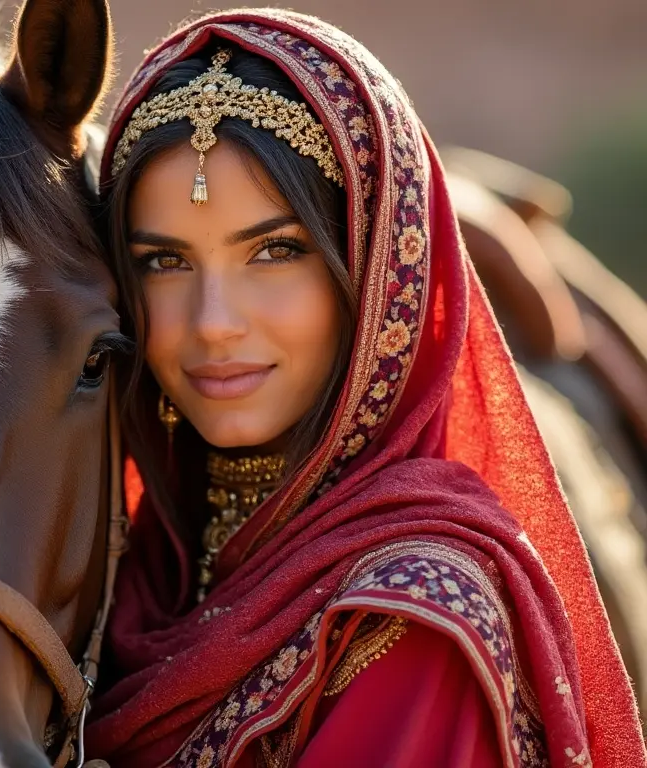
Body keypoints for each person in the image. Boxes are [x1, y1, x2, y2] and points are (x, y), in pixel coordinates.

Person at [86, 10, 645, 767]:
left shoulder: (412, 618)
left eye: (275, 251)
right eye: (164, 262)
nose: (212, 324)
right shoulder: (129, 571)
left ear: (379, 275)